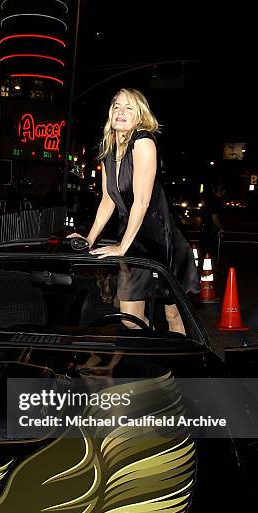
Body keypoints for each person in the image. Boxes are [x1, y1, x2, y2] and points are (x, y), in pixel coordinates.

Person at [69, 88, 199, 334]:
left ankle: (177, 366)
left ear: (140, 115)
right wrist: (89, 238)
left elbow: (141, 202)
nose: (121, 112)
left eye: (129, 107)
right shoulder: (108, 150)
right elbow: (108, 198)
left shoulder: (143, 142)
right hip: (133, 238)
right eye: (117, 106)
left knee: (172, 314)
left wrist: (121, 247)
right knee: (130, 318)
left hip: (162, 241)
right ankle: (152, 357)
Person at [201, 182, 225, 263]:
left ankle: (203, 268)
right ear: (223, 191)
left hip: (205, 228)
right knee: (212, 253)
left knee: (205, 251)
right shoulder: (217, 201)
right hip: (212, 230)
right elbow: (214, 216)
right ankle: (212, 269)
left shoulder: (210, 200)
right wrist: (220, 228)